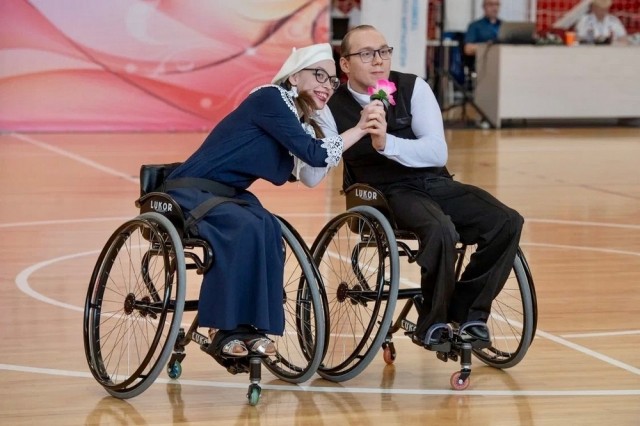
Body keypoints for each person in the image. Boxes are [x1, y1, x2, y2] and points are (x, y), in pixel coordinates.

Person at [164, 43, 385, 361]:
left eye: (332, 81)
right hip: (192, 190)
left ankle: (253, 329)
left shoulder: (297, 119)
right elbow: (314, 154)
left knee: (268, 227)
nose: (327, 85)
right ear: (294, 77)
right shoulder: (270, 98)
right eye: (319, 75)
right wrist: (360, 129)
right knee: (243, 225)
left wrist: (325, 123)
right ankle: (222, 329)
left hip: (229, 195)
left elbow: (311, 176)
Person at [316, 25, 524, 347]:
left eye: (384, 51)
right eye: (367, 54)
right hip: (385, 193)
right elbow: (324, 159)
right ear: (345, 64)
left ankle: (467, 311)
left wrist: (387, 143)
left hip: (435, 181)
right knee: (440, 229)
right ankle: (433, 322)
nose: (378, 60)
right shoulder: (331, 107)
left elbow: (436, 152)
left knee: (507, 221)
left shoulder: (413, 87)